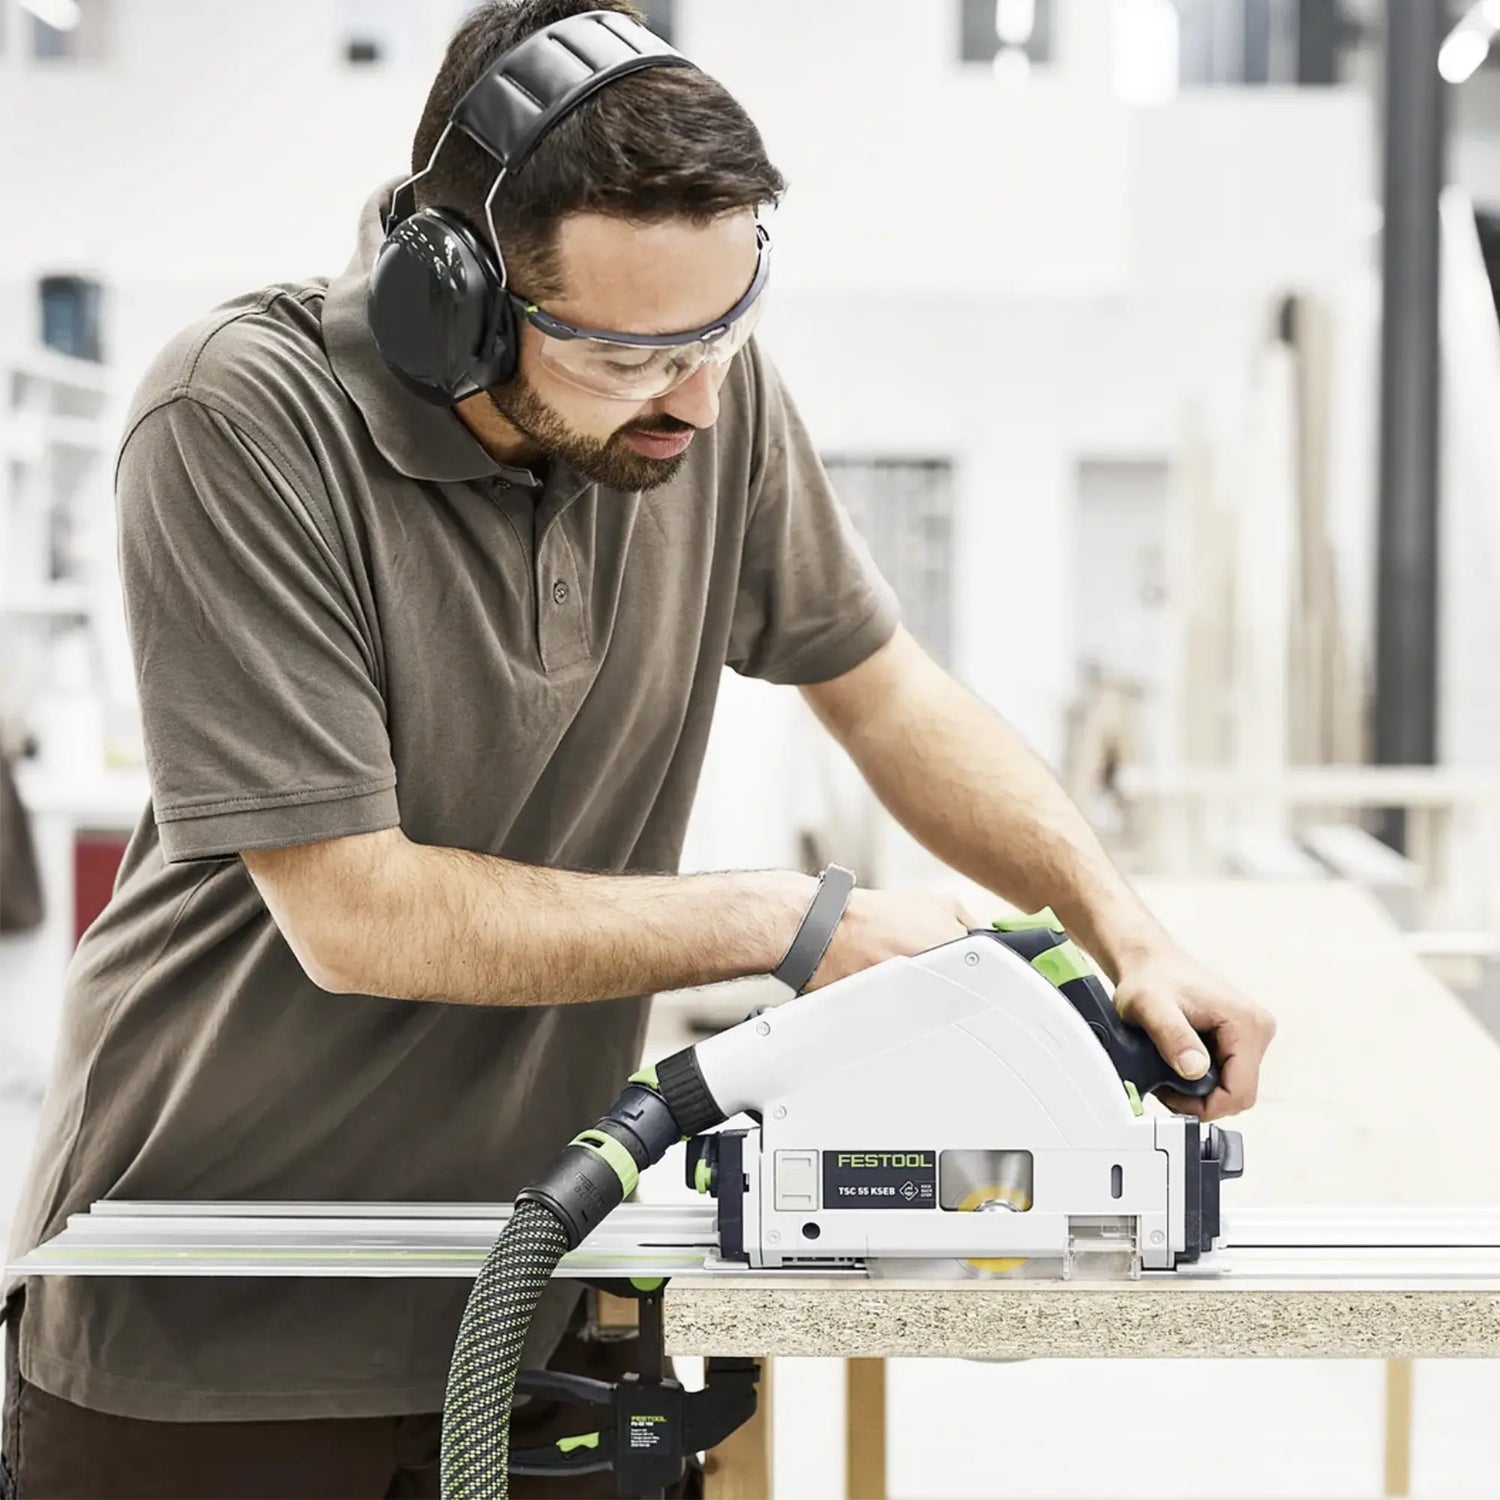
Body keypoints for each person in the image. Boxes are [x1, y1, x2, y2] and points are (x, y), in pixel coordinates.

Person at [1, 2, 1276, 1495]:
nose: (702, 395)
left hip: (537, 1283)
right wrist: (795, 924)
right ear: (454, 304)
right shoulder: (240, 416)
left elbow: (883, 691)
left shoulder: (702, 403)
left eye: (727, 328)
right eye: (633, 353)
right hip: (207, 1320)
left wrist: (1127, 931)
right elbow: (354, 910)